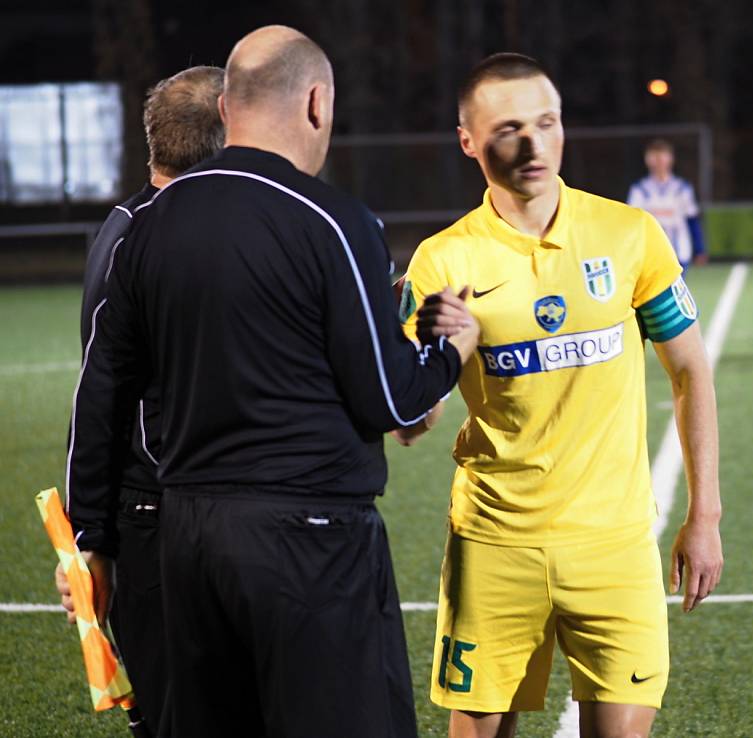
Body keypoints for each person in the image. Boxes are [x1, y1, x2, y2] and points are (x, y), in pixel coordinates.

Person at [65, 25, 478, 738]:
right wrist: (447, 350)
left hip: (184, 538)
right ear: (317, 102)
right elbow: (387, 398)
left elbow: (101, 393)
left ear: (227, 108)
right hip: (309, 539)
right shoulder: (334, 220)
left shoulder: (147, 223)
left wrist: (89, 542)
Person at [396, 53, 723, 738]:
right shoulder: (443, 261)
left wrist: (705, 517)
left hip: (616, 544)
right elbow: (411, 422)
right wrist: (437, 350)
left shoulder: (629, 236)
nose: (534, 143)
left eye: (548, 123)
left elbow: (691, 370)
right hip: (495, 546)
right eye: (510, 127)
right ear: (468, 140)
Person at [55, 64, 225, 736]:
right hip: (162, 514)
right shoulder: (157, 233)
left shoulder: (125, 224)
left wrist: (87, 539)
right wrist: (87, 540)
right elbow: (101, 393)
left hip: (150, 514)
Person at [627, 138, 708, 269]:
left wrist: (699, 249)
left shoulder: (682, 188)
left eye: (662, 156)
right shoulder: (639, 189)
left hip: (679, 250)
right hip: (650, 253)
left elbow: (692, 219)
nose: (658, 161)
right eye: (654, 157)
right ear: (647, 160)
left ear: (670, 159)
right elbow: (632, 222)